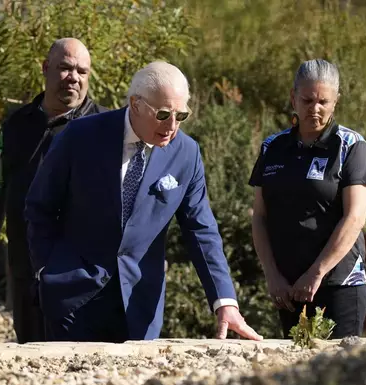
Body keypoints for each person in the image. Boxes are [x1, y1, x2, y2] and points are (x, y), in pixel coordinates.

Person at [25, 61, 264, 342]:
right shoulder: (80, 136)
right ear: (135, 104)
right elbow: (39, 206)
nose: (172, 126)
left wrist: (225, 302)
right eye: (163, 114)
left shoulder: (186, 153)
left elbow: (201, 231)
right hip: (73, 297)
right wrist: (46, 269)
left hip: (139, 305)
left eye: (181, 116)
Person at [0, 38, 107, 343]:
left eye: (82, 71)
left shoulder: (106, 127)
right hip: (25, 272)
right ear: (45, 69)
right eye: (65, 68)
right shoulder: (14, 126)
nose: (74, 77)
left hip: (84, 279)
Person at [249, 59, 366, 339]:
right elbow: (259, 216)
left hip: (339, 284)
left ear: (336, 102)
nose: (315, 108)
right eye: (307, 100)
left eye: (324, 101)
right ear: (293, 98)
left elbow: (355, 217)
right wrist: (272, 275)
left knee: (339, 378)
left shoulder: (351, 146)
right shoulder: (272, 147)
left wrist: (316, 273)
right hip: (288, 287)